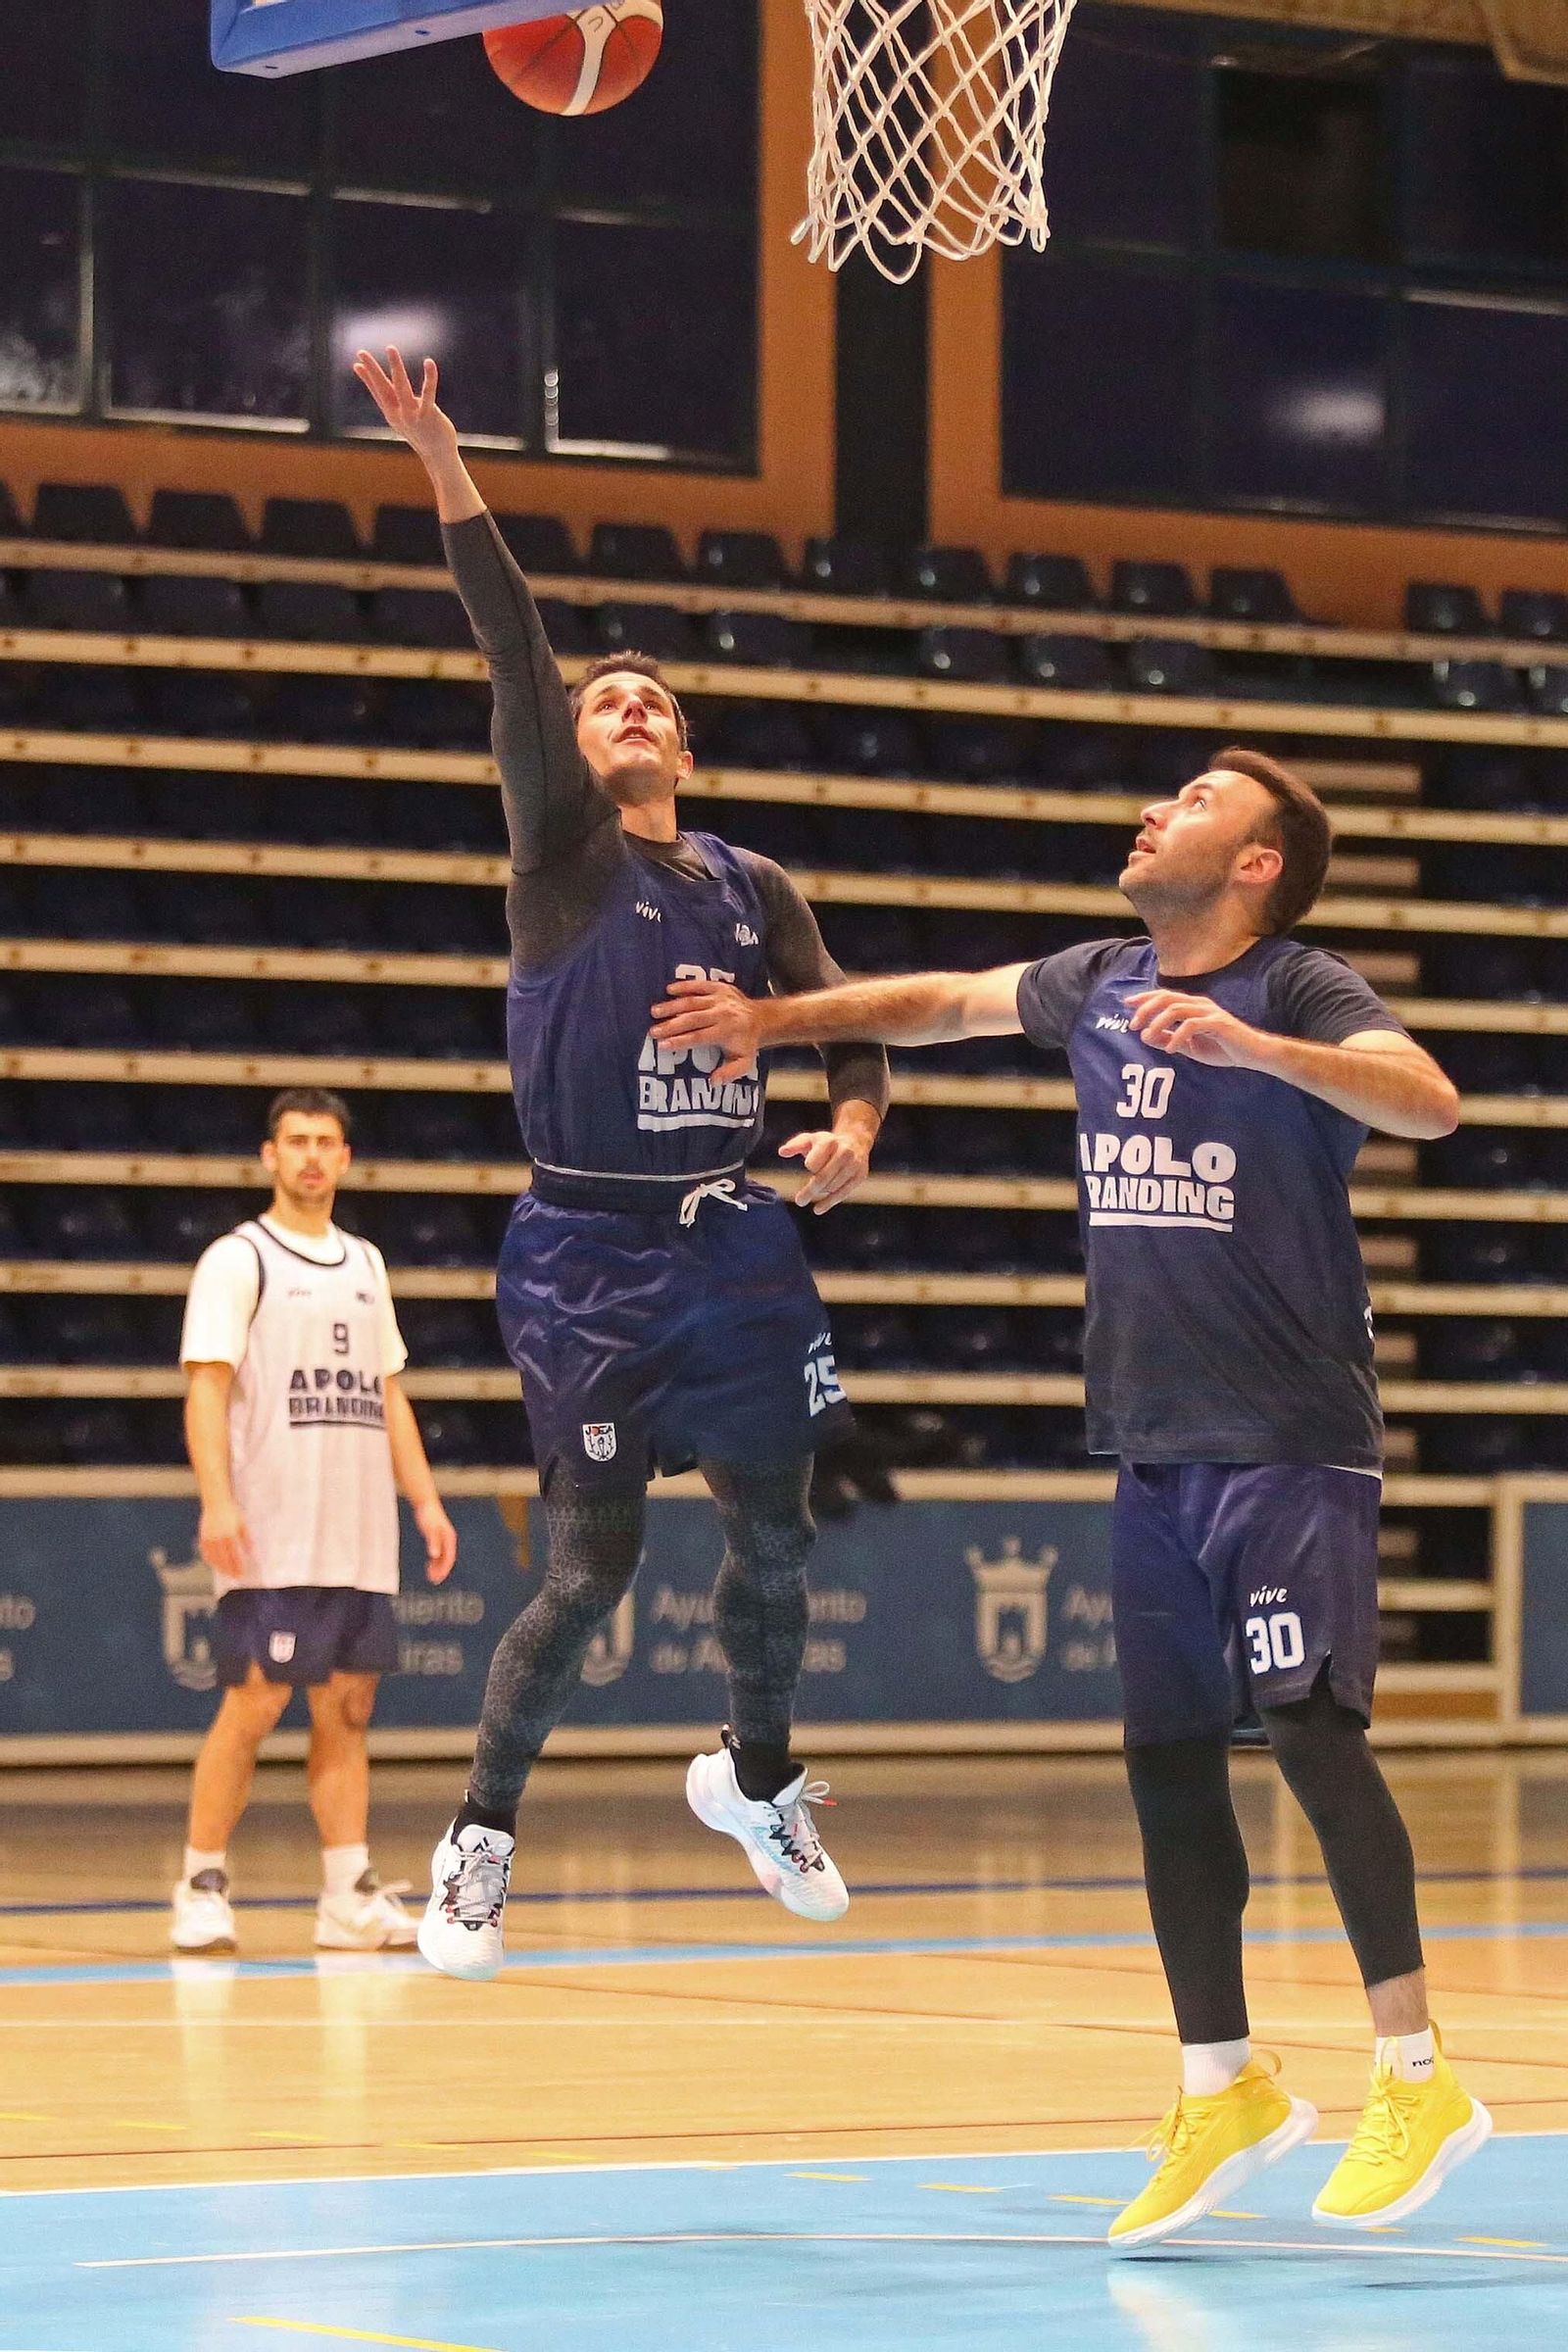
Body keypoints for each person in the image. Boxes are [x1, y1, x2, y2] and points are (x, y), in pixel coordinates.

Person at [649, 748, 1492, 2242]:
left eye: (1198, 805)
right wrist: (777, 1018)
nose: (1159, 811)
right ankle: (1219, 2082)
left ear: (1254, 866)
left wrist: (1258, 1054)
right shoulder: (1098, 979)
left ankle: (1416, 2075)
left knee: (1313, 1736)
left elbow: (1430, 1102)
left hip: (1289, 1434)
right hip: (1152, 1441)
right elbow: (943, 1000)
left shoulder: (1297, 987)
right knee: (1167, 1763)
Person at [353, 348, 890, 1981]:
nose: (633, 707)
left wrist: (854, 1126)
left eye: (657, 699)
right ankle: (478, 1841)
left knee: (781, 1533)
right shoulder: (561, 856)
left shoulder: (752, 881)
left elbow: (851, 1030)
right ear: (574, 752)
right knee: (592, 1569)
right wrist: (444, 453)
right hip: (587, 1252)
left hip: (736, 1239)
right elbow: (513, 645)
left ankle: (759, 1777)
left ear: (690, 746)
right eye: (609, 702)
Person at [172, 1088, 458, 1955]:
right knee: (252, 1704)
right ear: (269, 1155)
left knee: (349, 1709)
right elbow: (206, 1387)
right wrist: (217, 1499)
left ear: (345, 1159)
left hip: (357, 1533)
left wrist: (425, 1500)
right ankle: (202, 1883)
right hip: (271, 1530)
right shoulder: (237, 1258)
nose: (309, 1156)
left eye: (325, 1142)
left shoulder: (367, 1263)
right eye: (294, 1141)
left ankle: (346, 1893)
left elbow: (387, 1390)